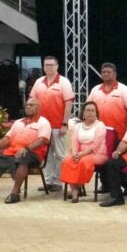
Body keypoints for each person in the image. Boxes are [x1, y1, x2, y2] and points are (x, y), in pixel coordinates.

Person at [0, 98, 51, 204]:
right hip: (12, 151)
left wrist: (26, 148)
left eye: (31, 105)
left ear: (38, 107)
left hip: (33, 153)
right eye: (27, 105)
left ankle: (15, 193)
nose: (28, 107)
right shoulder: (18, 122)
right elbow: (7, 139)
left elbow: (41, 140)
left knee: (22, 157)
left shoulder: (43, 122)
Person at [29, 55, 74, 193]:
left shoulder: (64, 82)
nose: (48, 67)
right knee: (46, 155)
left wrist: (65, 123)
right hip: (42, 126)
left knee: (60, 154)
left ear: (57, 66)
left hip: (57, 125)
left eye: (51, 65)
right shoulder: (39, 82)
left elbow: (68, 104)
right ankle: (49, 181)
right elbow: (31, 101)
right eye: (46, 65)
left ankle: (62, 181)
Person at [59, 101, 108, 204]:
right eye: (88, 110)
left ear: (96, 113)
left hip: (97, 153)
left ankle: (78, 186)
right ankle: (74, 191)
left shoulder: (100, 125)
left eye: (92, 110)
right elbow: (74, 142)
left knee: (83, 162)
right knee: (67, 161)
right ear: (83, 113)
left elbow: (96, 145)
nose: (90, 113)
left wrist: (81, 155)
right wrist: (75, 154)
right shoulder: (78, 126)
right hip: (80, 153)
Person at [86, 62, 127, 141]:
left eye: (109, 72)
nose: (106, 74)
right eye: (103, 72)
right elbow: (87, 108)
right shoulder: (95, 89)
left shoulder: (124, 89)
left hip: (119, 134)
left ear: (115, 74)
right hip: (97, 132)